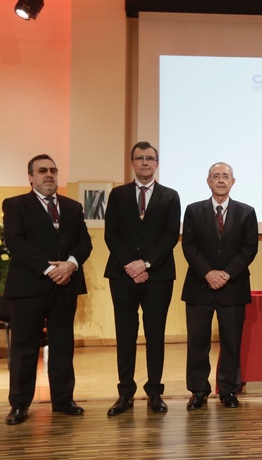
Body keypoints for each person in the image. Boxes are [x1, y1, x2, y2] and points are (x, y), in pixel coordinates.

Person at [2, 154, 93, 425]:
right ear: (30, 177)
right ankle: (19, 404)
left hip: (65, 286)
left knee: (63, 346)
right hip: (29, 287)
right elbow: (15, 243)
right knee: (24, 348)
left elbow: (84, 243)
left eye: (53, 170)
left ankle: (63, 400)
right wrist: (48, 268)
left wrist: (70, 265)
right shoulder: (16, 205)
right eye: (42, 171)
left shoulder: (73, 207)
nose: (49, 175)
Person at [104, 141, 181, 415]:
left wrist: (146, 263)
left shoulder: (170, 196)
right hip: (122, 274)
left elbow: (171, 235)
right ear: (132, 163)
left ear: (157, 164)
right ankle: (125, 394)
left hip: (158, 275)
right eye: (140, 158)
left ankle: (155, 393)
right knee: (125, 335)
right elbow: (110, 234)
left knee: (155, 335)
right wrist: (130, 265)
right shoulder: (117, 194)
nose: (145, 162)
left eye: (150, 158)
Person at [182, 163, 258, 409]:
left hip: (232, 287)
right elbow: (189, 247)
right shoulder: (193, 211)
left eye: (226, 176)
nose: (221, 180)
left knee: (231, 343)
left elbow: (249, 248)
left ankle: (228, 390)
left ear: (233, 182)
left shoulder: (247, 212)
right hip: (199, 286)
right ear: (208, 181)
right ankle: (198, 391)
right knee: (197, 343)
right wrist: (208, 273)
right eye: (216, 176)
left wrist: (226, 274)